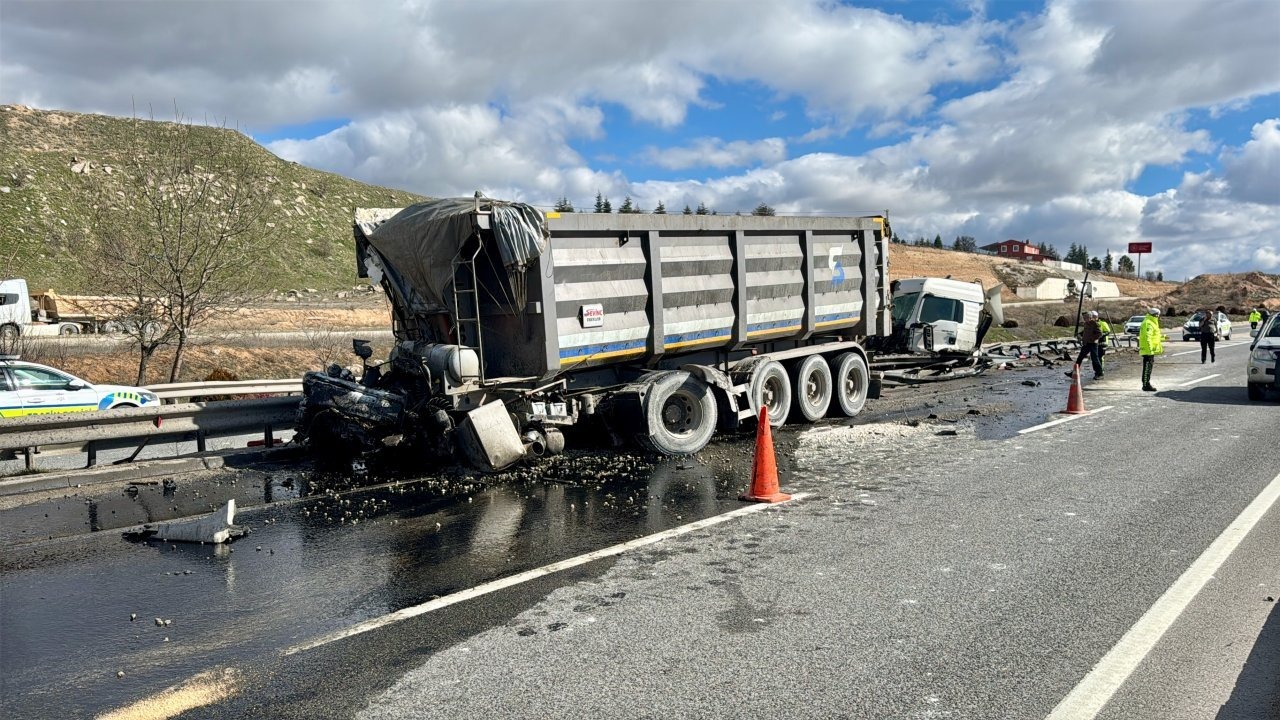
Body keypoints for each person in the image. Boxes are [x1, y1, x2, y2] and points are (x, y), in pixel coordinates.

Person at [1067, 310, 1104, 380]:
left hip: (1093, 344)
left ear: (1090, 317)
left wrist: (1092, 339)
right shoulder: (1086, 324)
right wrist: (1079, 334)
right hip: (1086, 344)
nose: (1084, 319)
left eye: (1086, 318)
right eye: (1084, 318)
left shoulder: (1095, 324)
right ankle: (1074, 372)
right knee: (1079, 358)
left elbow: (1100, 334)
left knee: (1095, 359)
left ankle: (1100, 373)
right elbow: (1085, 332)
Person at [1139, 307, 1163, 392]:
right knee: (1147, 367)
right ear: (1155, 315)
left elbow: (1154, 336)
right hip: (1148, 350)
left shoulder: (1152, 322)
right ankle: (1146, 384)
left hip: (1150, 350)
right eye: (1158, 315)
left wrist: (1163, 338)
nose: (1158, 317)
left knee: (1149, 367)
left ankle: (1146, 383)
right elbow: (1147, 337)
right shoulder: (1148, 323)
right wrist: (1149, 350)